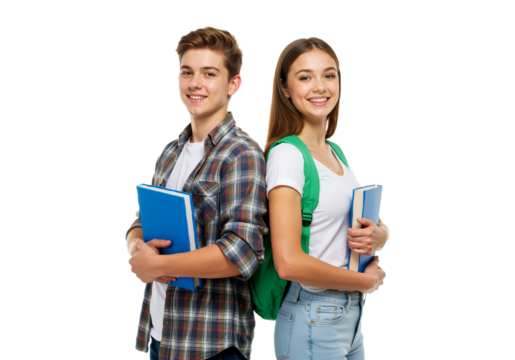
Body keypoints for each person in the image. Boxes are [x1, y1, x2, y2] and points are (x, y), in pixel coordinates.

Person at [125, 27, 267, 360]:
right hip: (160, 335)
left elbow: (242, 252)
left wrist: (158, 266)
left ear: (234, 84)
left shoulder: (241, 153)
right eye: (187, 71)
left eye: (209, 73)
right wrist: (135, 249)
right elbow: (140, 221)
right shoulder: (170, 152)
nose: (194, 83)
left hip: (210, 344)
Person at [264, 37, 391, 360]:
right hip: (312, 314)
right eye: (305, 77)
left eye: (329, 75)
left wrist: (380, 235)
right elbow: (288, 262)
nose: (320, 87)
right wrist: (363, 281)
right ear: (286, 89)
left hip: (347, 317)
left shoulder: (336, 152)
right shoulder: (287, 155)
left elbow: (356, 224)